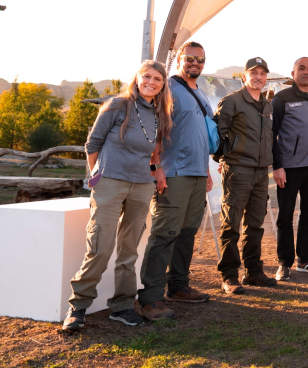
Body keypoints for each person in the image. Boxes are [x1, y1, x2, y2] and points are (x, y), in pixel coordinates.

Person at [62, 61, 172, 331]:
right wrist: (96, 176)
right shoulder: (116, 105)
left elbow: (154, 149)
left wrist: (156, 170)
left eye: (157, 79)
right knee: (100, 247)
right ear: (137, 78)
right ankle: (77, 307)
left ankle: (122, 306)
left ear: (163, 85)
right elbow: (93, 143)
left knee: (129, 250)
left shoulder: (160, 113)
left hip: (142, 186)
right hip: (110, 183)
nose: (151, 82)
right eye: (147, 76)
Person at [137, 42, 213, 320]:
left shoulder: (200, 92)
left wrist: (206, 170)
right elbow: (153, 128)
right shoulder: (167, 88)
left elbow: (198, 134)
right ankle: (150, 297)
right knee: (164, 234)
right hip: (173, 173)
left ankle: (178, 286)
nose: (195, 63)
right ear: (179, 59)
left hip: (197, 173)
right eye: (189, 58)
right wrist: (155, 166)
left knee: (187, 233)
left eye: (200, 59)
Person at [215, 57, 277, 294]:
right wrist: (224, 159)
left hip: (261, 173)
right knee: (231, 224)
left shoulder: (266, 104)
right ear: (244, 76)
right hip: (238, 170)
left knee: (255, 225)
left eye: (262, 73)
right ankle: (229, 276)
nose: (258, 77)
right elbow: (217, 135)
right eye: (254, 73)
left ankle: (253, 272)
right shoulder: (232, 101)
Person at [271, 57, 308, 280]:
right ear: (293, 73)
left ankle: (304, 259)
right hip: (289, 168)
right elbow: (271, 134)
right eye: (302, 68)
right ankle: (284, 262)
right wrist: (277, 166)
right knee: (285, 215)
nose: (306, 72)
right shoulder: (282, 98)